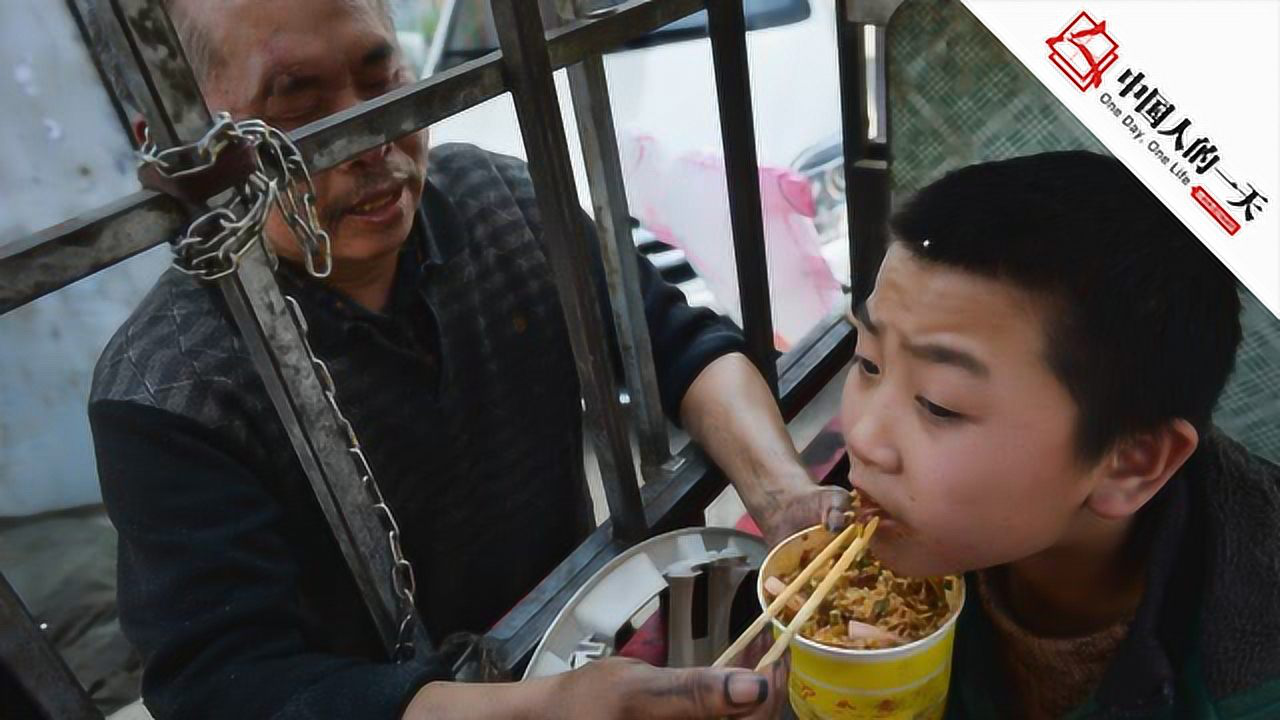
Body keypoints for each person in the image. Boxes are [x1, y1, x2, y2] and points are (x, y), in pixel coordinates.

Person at [89, 1, 847, 718]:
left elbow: (677, 343)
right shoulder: (169, 387)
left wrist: (782, 495)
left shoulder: (502, 201)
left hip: (584, 650)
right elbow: (227, 683)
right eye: (296, 103)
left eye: (379, 78)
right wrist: (534, 709)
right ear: (181, 156)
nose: (368, 141)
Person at [839, 150, 1280, 718]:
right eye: (868, 363)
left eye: (939, 404)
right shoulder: (900, 543)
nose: (865, 438)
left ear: (1131, 462)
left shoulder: (1252, 682)